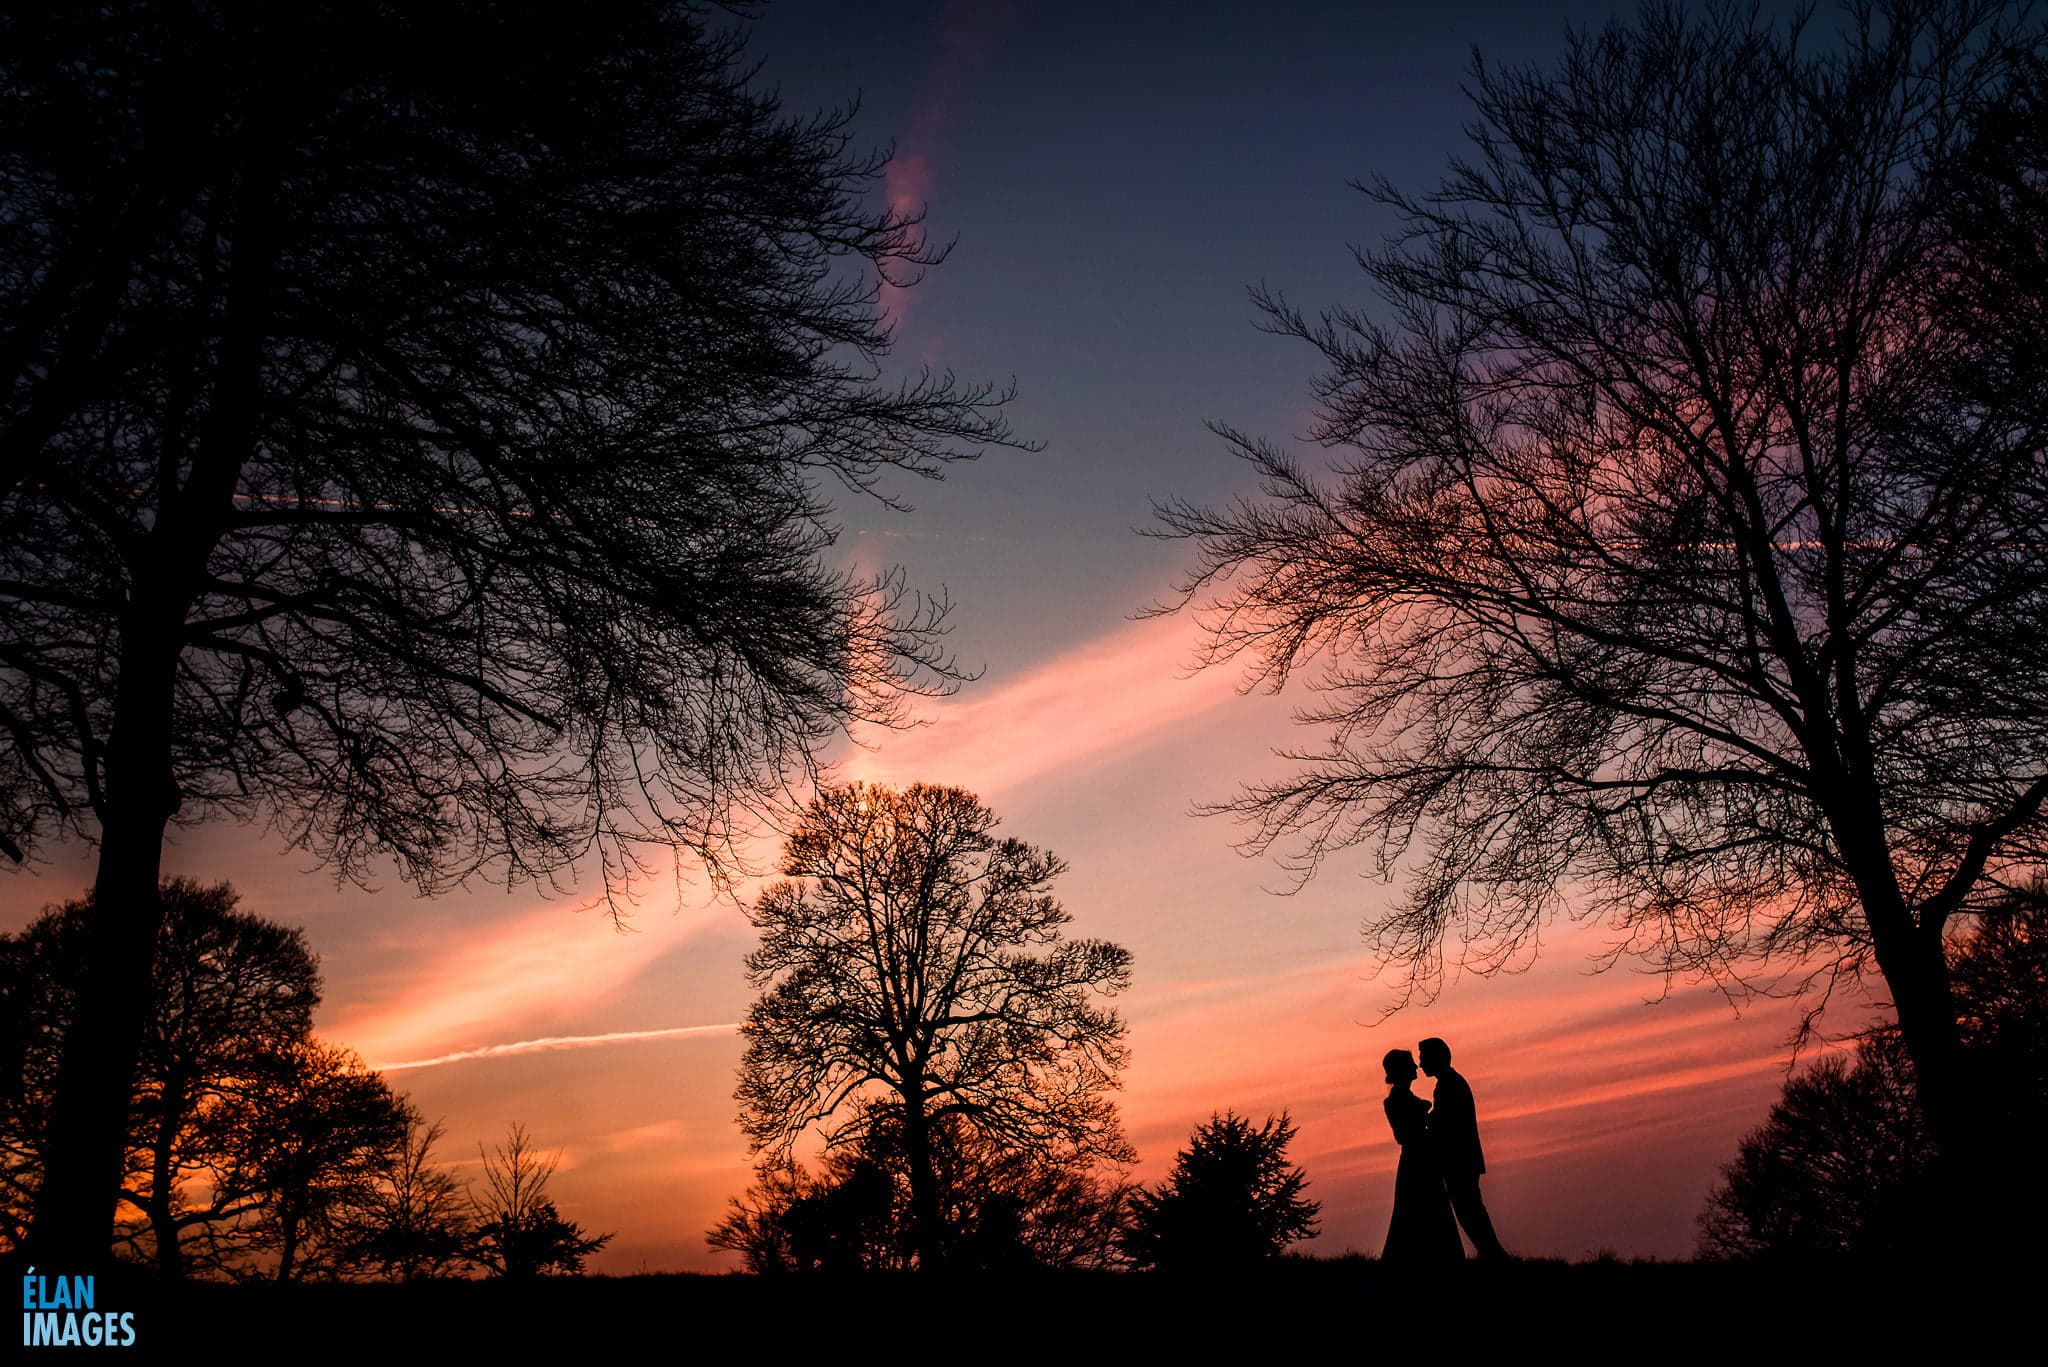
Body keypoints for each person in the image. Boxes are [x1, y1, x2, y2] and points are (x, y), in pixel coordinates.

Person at [1418, 1036, 1511, 1262]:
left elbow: (1448, 1124)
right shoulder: (1450, 1083)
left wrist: (1426, 1120)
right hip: (1463, 1159)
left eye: (1423, 1058)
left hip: (1459, 1160)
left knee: (1469, 1210)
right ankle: (1492, 1253)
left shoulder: (1449, 1085)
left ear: (1436, 1058)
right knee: (1469, 1209)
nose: (1420, 1064)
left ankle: (1494, 1254)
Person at [1380, 1047, 1463, 1267]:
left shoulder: (1403, 1099)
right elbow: (1404, 1135)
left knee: (1426, 1209)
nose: (1416, 1066)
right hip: (1416, 1162)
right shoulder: (1396, 1101)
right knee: (1419, 1210)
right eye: (1410, 1064)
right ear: (1400, 1070)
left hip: (1419, 1161)